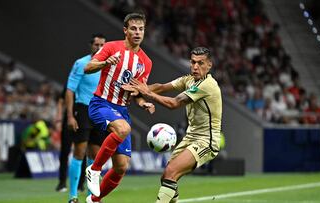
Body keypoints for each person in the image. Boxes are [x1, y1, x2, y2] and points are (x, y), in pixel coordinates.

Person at [127, 47, 222, 203]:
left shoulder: (208, 85)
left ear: (209, 65)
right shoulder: (188, 79)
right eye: (193, 62)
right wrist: (138, 89)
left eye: (200, 63)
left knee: (171, 172)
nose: (195, 66)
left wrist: (147, 93)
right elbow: (162, 87)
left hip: (207, 141)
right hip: (190, 137)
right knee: (166, 177)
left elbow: (174, 103)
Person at [84, 13, 155, 203]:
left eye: (141, 29)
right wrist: (105, 62)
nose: (137, 32)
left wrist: (143, 102)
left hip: (122, 110)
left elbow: (137, 92)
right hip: (101, 103)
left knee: (121, 167)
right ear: (125, 30)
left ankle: (93, 200)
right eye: (133, 28)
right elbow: (88, 67)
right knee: (123, 128)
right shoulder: (111, 47)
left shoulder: (145, 62)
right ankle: (94, 169)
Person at [65, 34, 107, 203]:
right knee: (79, 152)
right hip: (82, 109)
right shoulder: (81, 64)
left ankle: (92, 196)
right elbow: (70, 90)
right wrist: (70, 115)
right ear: (91, 45)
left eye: (102, 45)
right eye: (96, 44)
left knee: (96, 156)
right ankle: (73, 196)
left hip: (99, 111)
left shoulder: (108, 65)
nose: (99, 47)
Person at [55, 86, 85, 193]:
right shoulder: (72, 81)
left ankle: (81, 184)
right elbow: (61, 101)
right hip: (68, 120)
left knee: (83, 152)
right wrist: (58, 119)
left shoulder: (90, 78)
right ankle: (62, 182)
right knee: (65, 151)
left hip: (84, 119)